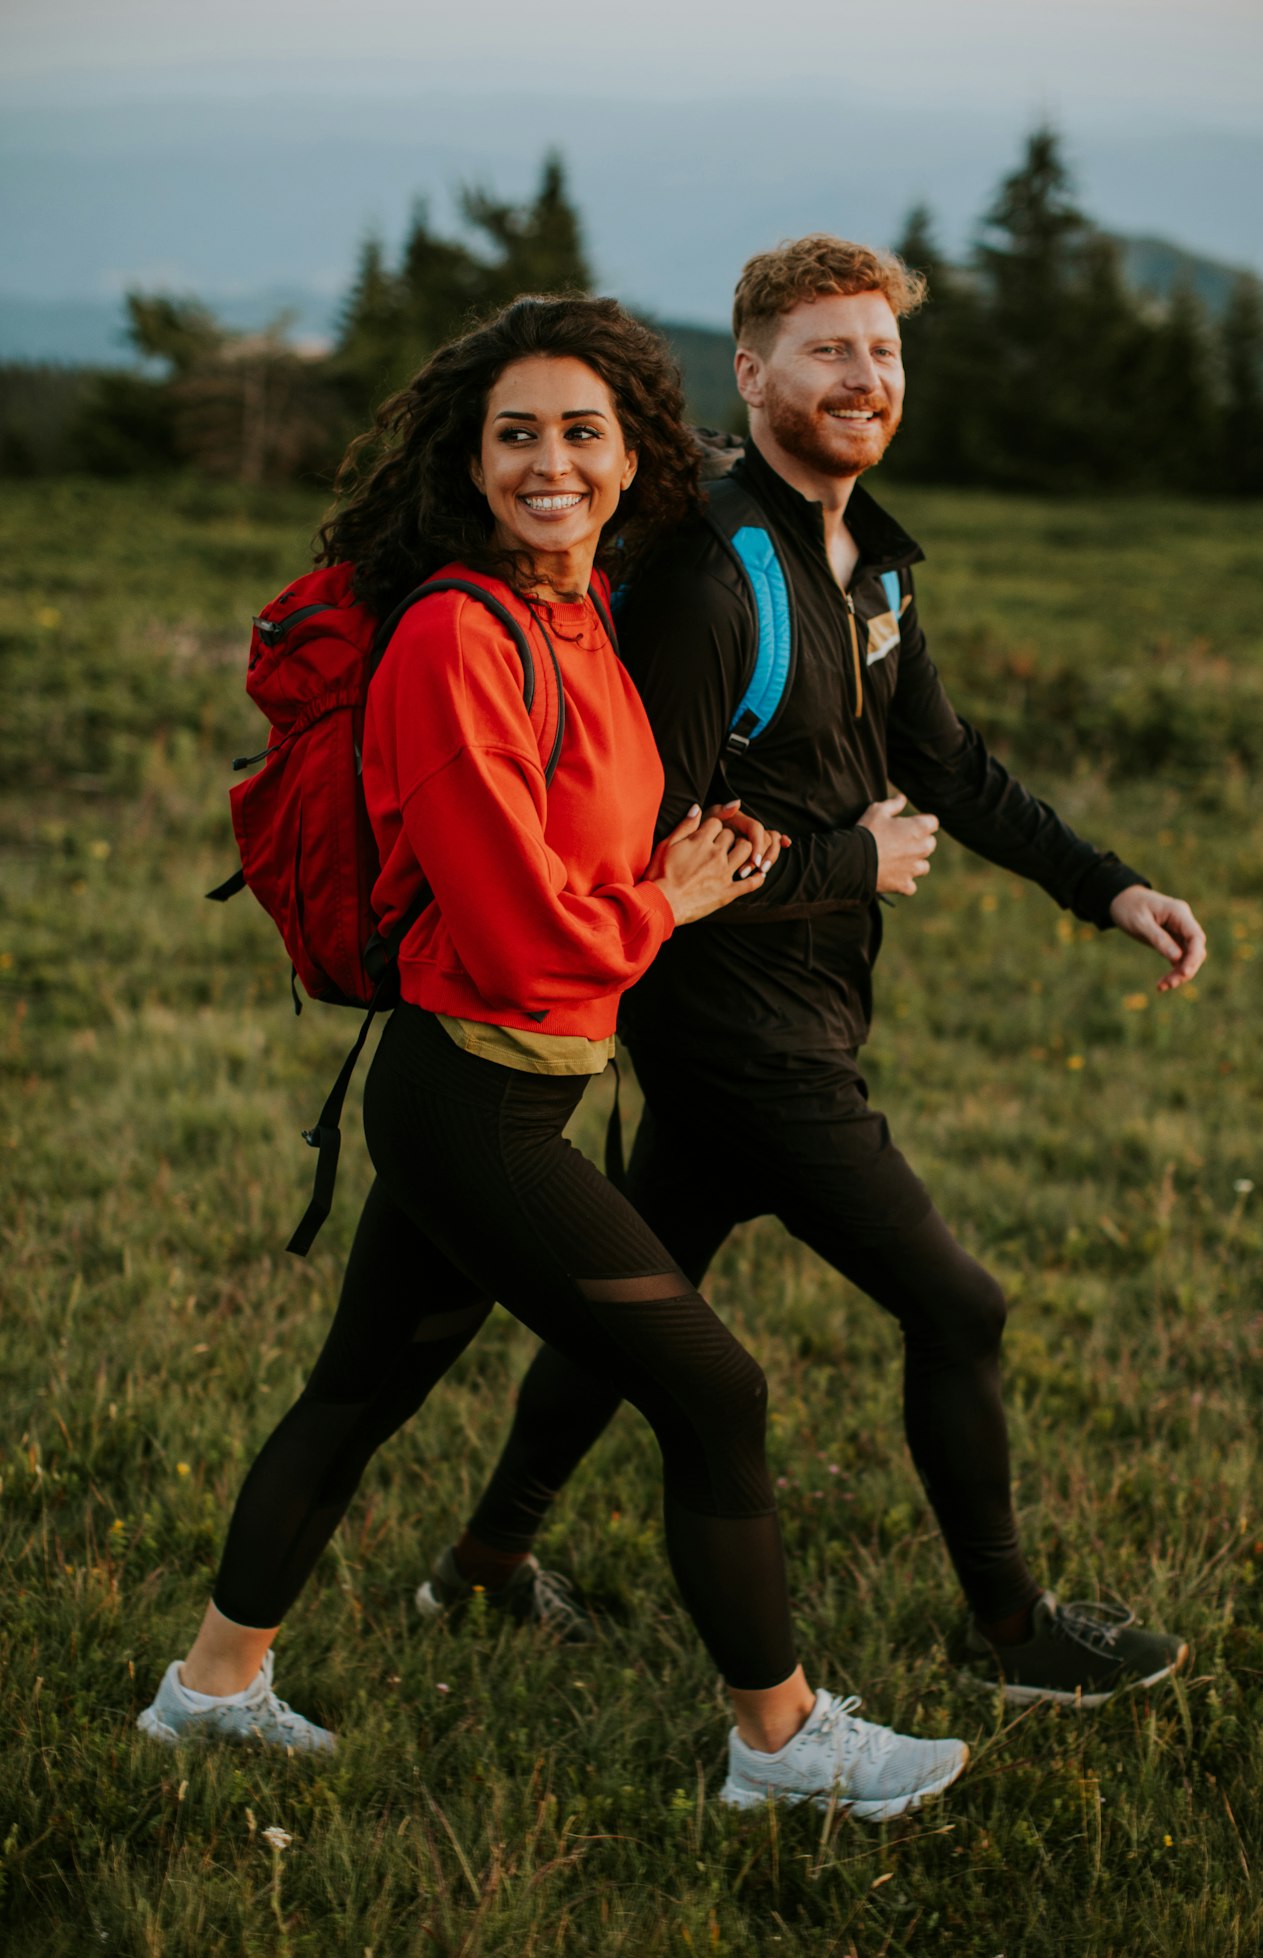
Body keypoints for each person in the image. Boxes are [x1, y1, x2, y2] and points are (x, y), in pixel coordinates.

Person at [137, 293, 972, 1820]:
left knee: (357, 1389)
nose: (550, 465)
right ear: (466, 461)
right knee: (715, 1393)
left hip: (525, 1086)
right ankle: (780, 1744)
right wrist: (669, 896)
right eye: (513, 435)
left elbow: (605, 850)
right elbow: (529, 936)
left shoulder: (579, 614)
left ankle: (209, 1689)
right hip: (478, 1101)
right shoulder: (456, 641)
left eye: (581, 434)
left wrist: (699, 865)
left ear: (633, 453)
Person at [422, 241, 1207, 1708]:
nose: (863, 380)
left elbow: (945, 767)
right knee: (956, 1308)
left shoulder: (868, 560)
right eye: (828, 352)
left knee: (636, 1290)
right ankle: (1016, 1633)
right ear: (751, 373)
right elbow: (642, 836)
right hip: (736, 1025)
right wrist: (849, 862)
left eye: (883, 355)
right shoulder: (711, 579)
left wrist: (1108, 886)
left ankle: (479, 1564)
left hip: (801, 1007)